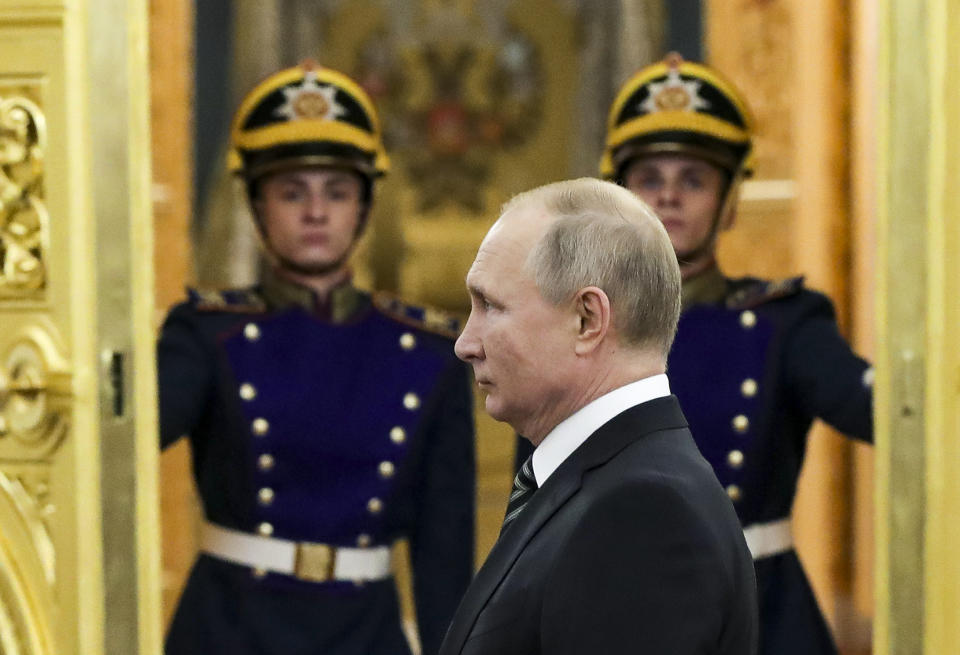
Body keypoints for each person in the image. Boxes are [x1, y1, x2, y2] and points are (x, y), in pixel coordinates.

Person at [158, 62, 475, 655]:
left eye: (337, 191)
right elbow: (115, 449)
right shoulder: (206, 333)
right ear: (256, 204)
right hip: (229, 627)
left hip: (366, 633)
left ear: (363, 205)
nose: (315, 212)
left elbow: (443, 558)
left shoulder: (430, 352)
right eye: (290, 191)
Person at [596, 53, 873, 655]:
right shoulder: (576, 333)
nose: (669, 197)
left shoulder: (785, 323)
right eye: (649, 179)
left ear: (729, 201)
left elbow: (875, 408)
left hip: (760, 611)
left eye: (693, 179)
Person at [440, 178, 757, 655]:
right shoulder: (610, 483)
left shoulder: (642, 512)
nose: (466, 343)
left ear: (588, 319)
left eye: (490, 306)